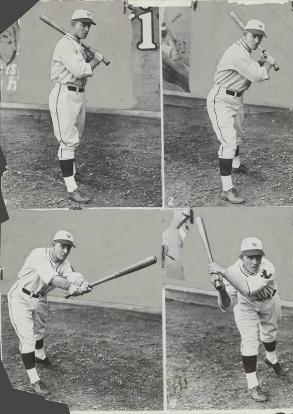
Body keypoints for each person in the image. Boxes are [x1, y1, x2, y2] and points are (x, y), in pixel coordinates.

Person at [7, 230, 92, 396]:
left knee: (39, 329)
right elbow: (51, 278)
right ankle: (34, 380)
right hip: (20, 297)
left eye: (69, 247)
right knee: (28, 339)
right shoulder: (39, 254)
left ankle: (39, 354)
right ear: (53, 244)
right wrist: (69, 286)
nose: (65, 251)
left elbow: (71, 275)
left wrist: (82, 283)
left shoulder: (65, 263)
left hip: (39, 297)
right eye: (62, 246)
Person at [207, 19, 276, 204]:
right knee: (228, 142)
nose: (256, 40)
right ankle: (227, 189)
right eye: (253, 35)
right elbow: (258, 76)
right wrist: (268, 63)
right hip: (220, 100)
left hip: (236, 98)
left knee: (237, 136)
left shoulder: (245, 51)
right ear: (244, 34)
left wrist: (260, 61)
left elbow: (247, 76)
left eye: (260, 37)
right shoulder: (237, 52)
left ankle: (235, 164)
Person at [209, 237, 285, 402]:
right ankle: (253, 385)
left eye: (258, 256)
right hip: (245, 306)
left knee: (270, 333)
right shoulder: (232, 271)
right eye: (250, 257)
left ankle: (271, 359)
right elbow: (226, 305)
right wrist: (221, 290)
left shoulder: (268, 267)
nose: (255, 261)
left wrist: (223, 272)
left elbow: (247, 288)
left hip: (269, 300)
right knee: (249, 341)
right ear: (241, 256)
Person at [49, 9, 104, 203]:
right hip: (64, 95)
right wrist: (96, 60)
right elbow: (80, 70)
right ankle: (71, 189)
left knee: (75, 138)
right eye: (82, 24)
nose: (86, 28)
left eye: (89, 25)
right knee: (68, 141)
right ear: (73, 24)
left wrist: (90, 56)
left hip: (78, 96)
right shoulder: (65, 44)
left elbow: (80, 67)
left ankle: (70, 173)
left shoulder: (77, 45)